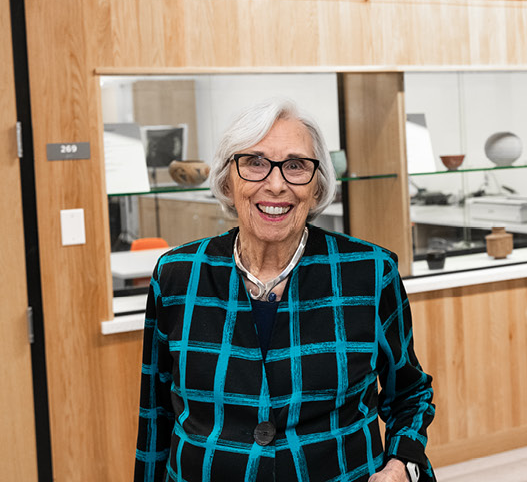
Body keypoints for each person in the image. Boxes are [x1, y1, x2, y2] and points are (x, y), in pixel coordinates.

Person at [136, 99, 435, 482]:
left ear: (317, 185)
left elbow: (410, 395)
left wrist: (399, 466)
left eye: (295, 166)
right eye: (255, 163)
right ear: (229, 179)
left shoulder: (369, 273)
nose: (275, 184)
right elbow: (155, 414)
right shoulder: (178, 275)